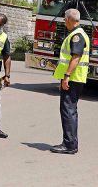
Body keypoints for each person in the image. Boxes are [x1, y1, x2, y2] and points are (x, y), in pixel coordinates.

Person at [50, 8, 90, 155]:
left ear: (68, 19)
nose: (64, 22)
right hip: (75, 78)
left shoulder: (77, 36)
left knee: (68, 111)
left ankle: (69, 145)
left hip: (73, 78)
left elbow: (75, 57)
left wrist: (66, 76)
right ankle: (70, 142)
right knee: (70, 110)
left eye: (64, 19)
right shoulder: (80, 34)